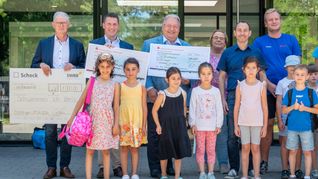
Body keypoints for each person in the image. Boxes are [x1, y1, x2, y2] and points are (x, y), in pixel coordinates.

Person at [31, 11, 86, 179]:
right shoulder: (44, 43)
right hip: (49, 94)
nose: (61, 25)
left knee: (67, 130)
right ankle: (51, 167)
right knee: (50, 132)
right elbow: (33, 65)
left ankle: (65, 166)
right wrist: (41, 64)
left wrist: (74, 66)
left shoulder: (77, 45)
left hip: (70, 96)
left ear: (68, 25)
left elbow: (85, 67)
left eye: (64, 23)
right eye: (58, 23)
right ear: (53, 25)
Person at [253, 8, 302, 175]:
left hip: (290, 91)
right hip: (266, 90)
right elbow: (258, 67)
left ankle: (288, 164)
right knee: (267, 127)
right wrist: (268, 84)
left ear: (280, 21)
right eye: (270, 20)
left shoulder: (291, 40)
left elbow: (298, 66)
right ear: (266, 23)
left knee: (287, 126)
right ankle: (263, 162)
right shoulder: (259, 42)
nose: (274, 21)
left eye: (276, 19)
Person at [142, 14, 190, 178]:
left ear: (179, 28)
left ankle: (170, 166)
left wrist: (188, 80)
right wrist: (149, 88)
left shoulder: (186, 46)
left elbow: (191, 76)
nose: (171, 29)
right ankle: (155, 168)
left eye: (175, 26)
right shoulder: (149, 44)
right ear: (163, 26)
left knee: (172, 134)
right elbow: (143, 69)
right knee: (156, 134)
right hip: (155, 97)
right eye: (168, 26)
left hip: (175, 100)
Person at [217, 21, 267, 178]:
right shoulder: (228, 52)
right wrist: (222, 98)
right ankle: (234, 168)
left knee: (253, 136)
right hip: (233, 96)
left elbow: (262, 75)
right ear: (234, 33)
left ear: (250, 33)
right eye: (239, 30)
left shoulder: (257, 52)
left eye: (245, 30)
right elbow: (222, 76)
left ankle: (252, 168)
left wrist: (264, 88)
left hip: (254, 95)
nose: (242, 33)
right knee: (233, 134)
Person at [90, 12, 133, 178]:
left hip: (121, 93)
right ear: (103, 25)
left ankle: (117, 166)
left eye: (115, 24)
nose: (112, 27)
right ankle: (102, 167)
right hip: (101, 96)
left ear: (118, 26)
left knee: (117, 128)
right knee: (102, 129)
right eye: (109, 24)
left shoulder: (127, 47)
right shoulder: (94, 45)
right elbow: (91, 71)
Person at [67, 53, 120, 179]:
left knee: (106, 151)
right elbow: (81, 100)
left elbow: (116, 106)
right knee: (90, 150)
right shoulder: (92, 82)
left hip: (107, 121)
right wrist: (71, 118)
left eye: (108, 66)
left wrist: (116, 124)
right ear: (98, 67)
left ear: (112, 67)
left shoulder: (115, 84)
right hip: (93, 120)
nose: (105, 69)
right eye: (102, 66)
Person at [152, 67, 191, 179]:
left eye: (178, 78)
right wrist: (158, 125)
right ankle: (164, 174)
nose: (176, 81)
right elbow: (154, 110)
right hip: (166, 127)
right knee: (164, 152)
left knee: (179, 152)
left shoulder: (183, 93)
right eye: (173, 78)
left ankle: (177, 176)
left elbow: (183, 108)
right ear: (167, 79)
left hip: (179, 127)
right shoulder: (162, 94)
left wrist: (184, 122)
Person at [233, 56, 268, 179]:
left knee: (255, 148)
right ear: (244, 69)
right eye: (248, 68)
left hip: (257, 122)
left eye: (253, 68)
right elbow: (236, 106)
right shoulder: (240, 86)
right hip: (243, 122)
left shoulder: (261, 86)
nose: (251, 70)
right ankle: (245, 175)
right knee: (245, 147)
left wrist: (265, 126)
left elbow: (265, 107)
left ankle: (257, 175)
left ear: (258, 69)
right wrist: (236, 125)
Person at [282, 64, 318, 179]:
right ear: (293, 76)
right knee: (292, 151)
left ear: (307, 76)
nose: (300, 76)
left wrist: (305, 108)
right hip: (292, 128)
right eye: (297, 74)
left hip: (307, 128)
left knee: (307, 152)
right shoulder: (289, 93)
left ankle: (307, 175)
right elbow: (284, 110)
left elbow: (317, 110)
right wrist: (293, 106)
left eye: (302, 75)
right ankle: (292, 174)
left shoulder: (311, 93)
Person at [189, 62, 223, 179]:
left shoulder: (216, 91)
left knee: (211, 150)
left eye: (209, 73)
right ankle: (202, 172)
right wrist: (192, 124)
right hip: (199, 127)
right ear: (199, 75)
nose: (206, 76)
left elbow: (219, 109)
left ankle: (211, 172)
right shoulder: (195, 91)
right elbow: (192, 108)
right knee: (200, 149)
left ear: (212, 75)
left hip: (212, 127)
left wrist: (219, 124)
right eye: (203, 74)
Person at [119, 58, 147, 179]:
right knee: (124, 147)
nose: (131, 72)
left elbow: (144, 107)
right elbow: (117, 105)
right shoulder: (120, 86)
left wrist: (144, 125)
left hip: (137, 122)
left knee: (135, 149)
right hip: (124, 121)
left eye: (133, 69)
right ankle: (125, 173)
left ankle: (134, 172)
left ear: (138, 70)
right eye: (128, 69)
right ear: (124, 71)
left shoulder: (141, 87)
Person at [275, 55, 301, 179]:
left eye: (295, 66)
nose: (293, 68)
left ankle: (297, 169)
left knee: (299, 144)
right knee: (285, 144)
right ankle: (285, 169)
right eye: (290, 66)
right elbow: (279, 102)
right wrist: (279, 119)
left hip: (301, 117)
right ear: (286, 67)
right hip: (286, 117)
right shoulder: (282, 82)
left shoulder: (303, 81)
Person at [208, 30, 230, 174]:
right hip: (206, 98)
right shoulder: (203, 55)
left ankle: (223, 163)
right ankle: (205, 163)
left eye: (221, 38)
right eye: (216, 37)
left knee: (222, 132)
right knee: (205, 132)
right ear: (211, 40)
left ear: (225, 41)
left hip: (224, 97)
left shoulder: (229, 55)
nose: (218, 40)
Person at [307, 64, 318, 179]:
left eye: (316, 74)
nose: (313, 76)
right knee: (313, 147)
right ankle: (314, 169)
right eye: (311, 74)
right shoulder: (305, 89)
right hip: (310, 121)